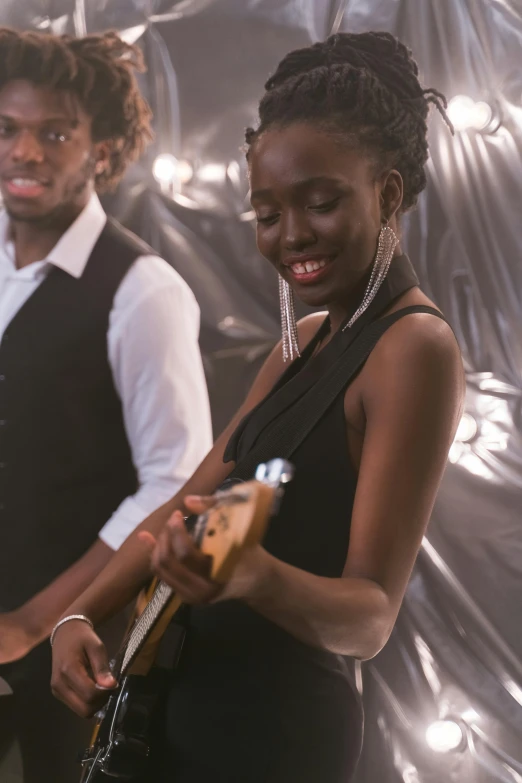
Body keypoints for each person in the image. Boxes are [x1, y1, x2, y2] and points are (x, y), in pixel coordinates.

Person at [50, 31, 465, 783]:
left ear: (390, 193)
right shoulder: (305, 338)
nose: (291, 236)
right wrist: (79, 614)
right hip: (182, 713)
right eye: (267, 212)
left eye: (322, 201)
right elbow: (187, 504)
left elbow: (370, 617)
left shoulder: (414, 348)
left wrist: (253, 575)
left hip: (273, 736)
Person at [0, 27, 212, 782]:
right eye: (7, 129)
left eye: (54, 133)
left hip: (65, 648)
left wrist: (41, 618)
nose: (25, 152)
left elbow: (177, 483)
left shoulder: (143, 290)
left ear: (103, 146)